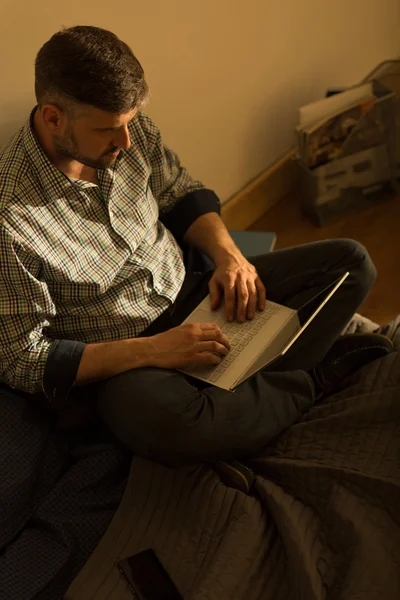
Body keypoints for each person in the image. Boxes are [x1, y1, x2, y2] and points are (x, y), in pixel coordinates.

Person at [0, 26, 393, 493]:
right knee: (166, 422)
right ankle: (312, 378)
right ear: (53, 118)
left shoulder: (129, 129)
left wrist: (231, 260)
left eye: (130, 123)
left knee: (351, 264)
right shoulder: (10, 219)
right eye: (108, 130)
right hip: (130, 358)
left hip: (196, 290)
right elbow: (21, 358)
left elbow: (180, 193)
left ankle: (244, 401)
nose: (126, 141)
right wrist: (154, 350)